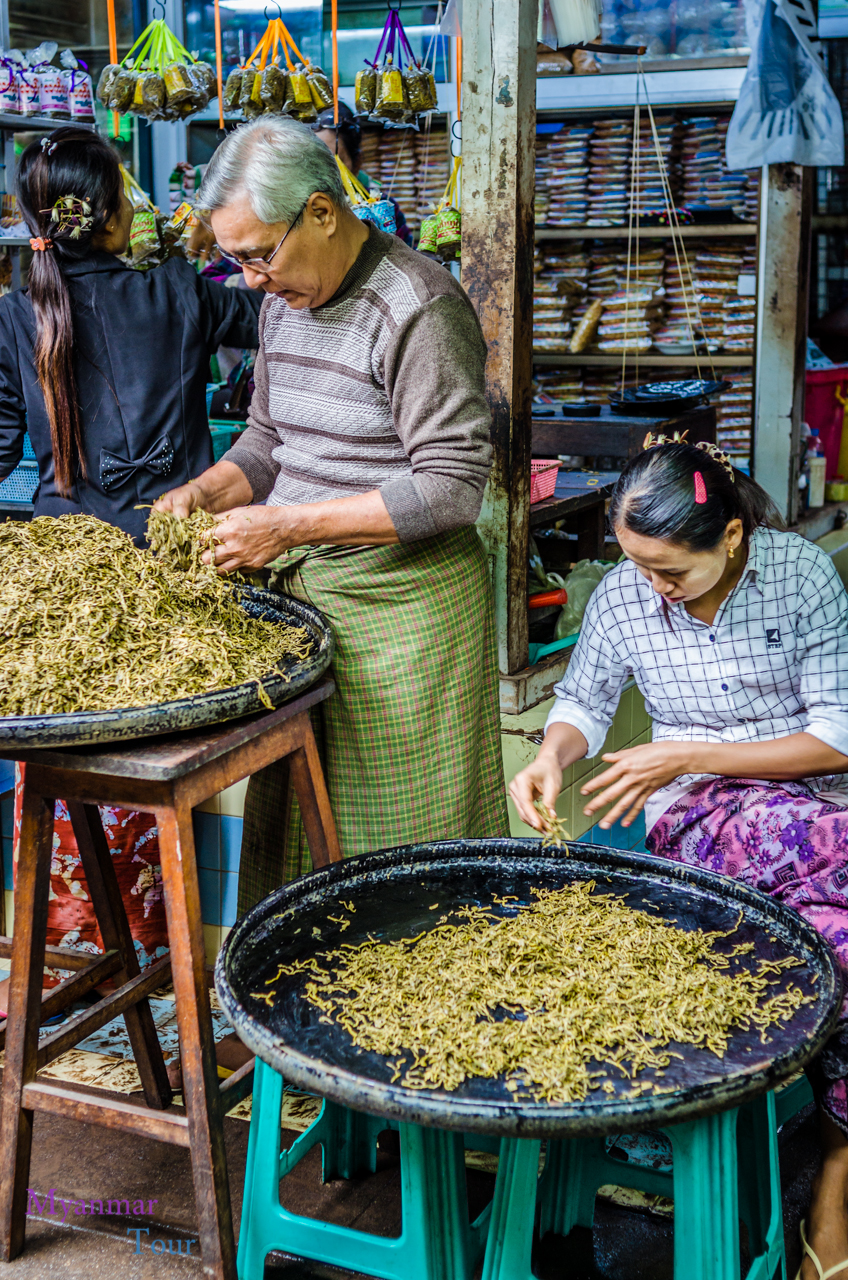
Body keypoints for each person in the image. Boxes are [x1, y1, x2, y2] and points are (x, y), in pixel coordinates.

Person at [509, 437, 848, 1280]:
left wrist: (683, 749)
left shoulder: (800, 574)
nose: (651, 587)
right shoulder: (628, 592)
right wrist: (552, 757)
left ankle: (836, 1165)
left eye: (672, 572)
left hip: (818, 805)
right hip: (699, 814)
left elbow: (839, 737)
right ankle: (837, 1174)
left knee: (835, 934)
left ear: (731, 537)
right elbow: (584, 699)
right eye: (638, 566)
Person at [154, 115, 508, 912]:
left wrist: (287, 528)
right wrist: (205, 492)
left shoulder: (417, 305)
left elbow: (453, 487)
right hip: (307, 609)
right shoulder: (284, 300)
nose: (248, 279)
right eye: (233, 259)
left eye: (256, 254)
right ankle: (304, 1008)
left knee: (404, 852)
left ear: (321, 212)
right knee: (305, 844)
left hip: (405, 621)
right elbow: (272, 439)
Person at [0, 128, 261, 1065]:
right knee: (163, 766)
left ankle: (93, 952)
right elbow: (281, 322)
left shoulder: (12, 311)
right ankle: (180, 960)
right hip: (175, 565)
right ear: (110, 213)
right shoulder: (178, 291)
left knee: (73, 766)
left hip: (64, 563)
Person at [312, 102, 414, 246]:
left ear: (357, 163)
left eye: (335, 162)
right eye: (313, 161)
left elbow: (406, 262)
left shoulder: (381, 210)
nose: (322, 172)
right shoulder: (290, 213)